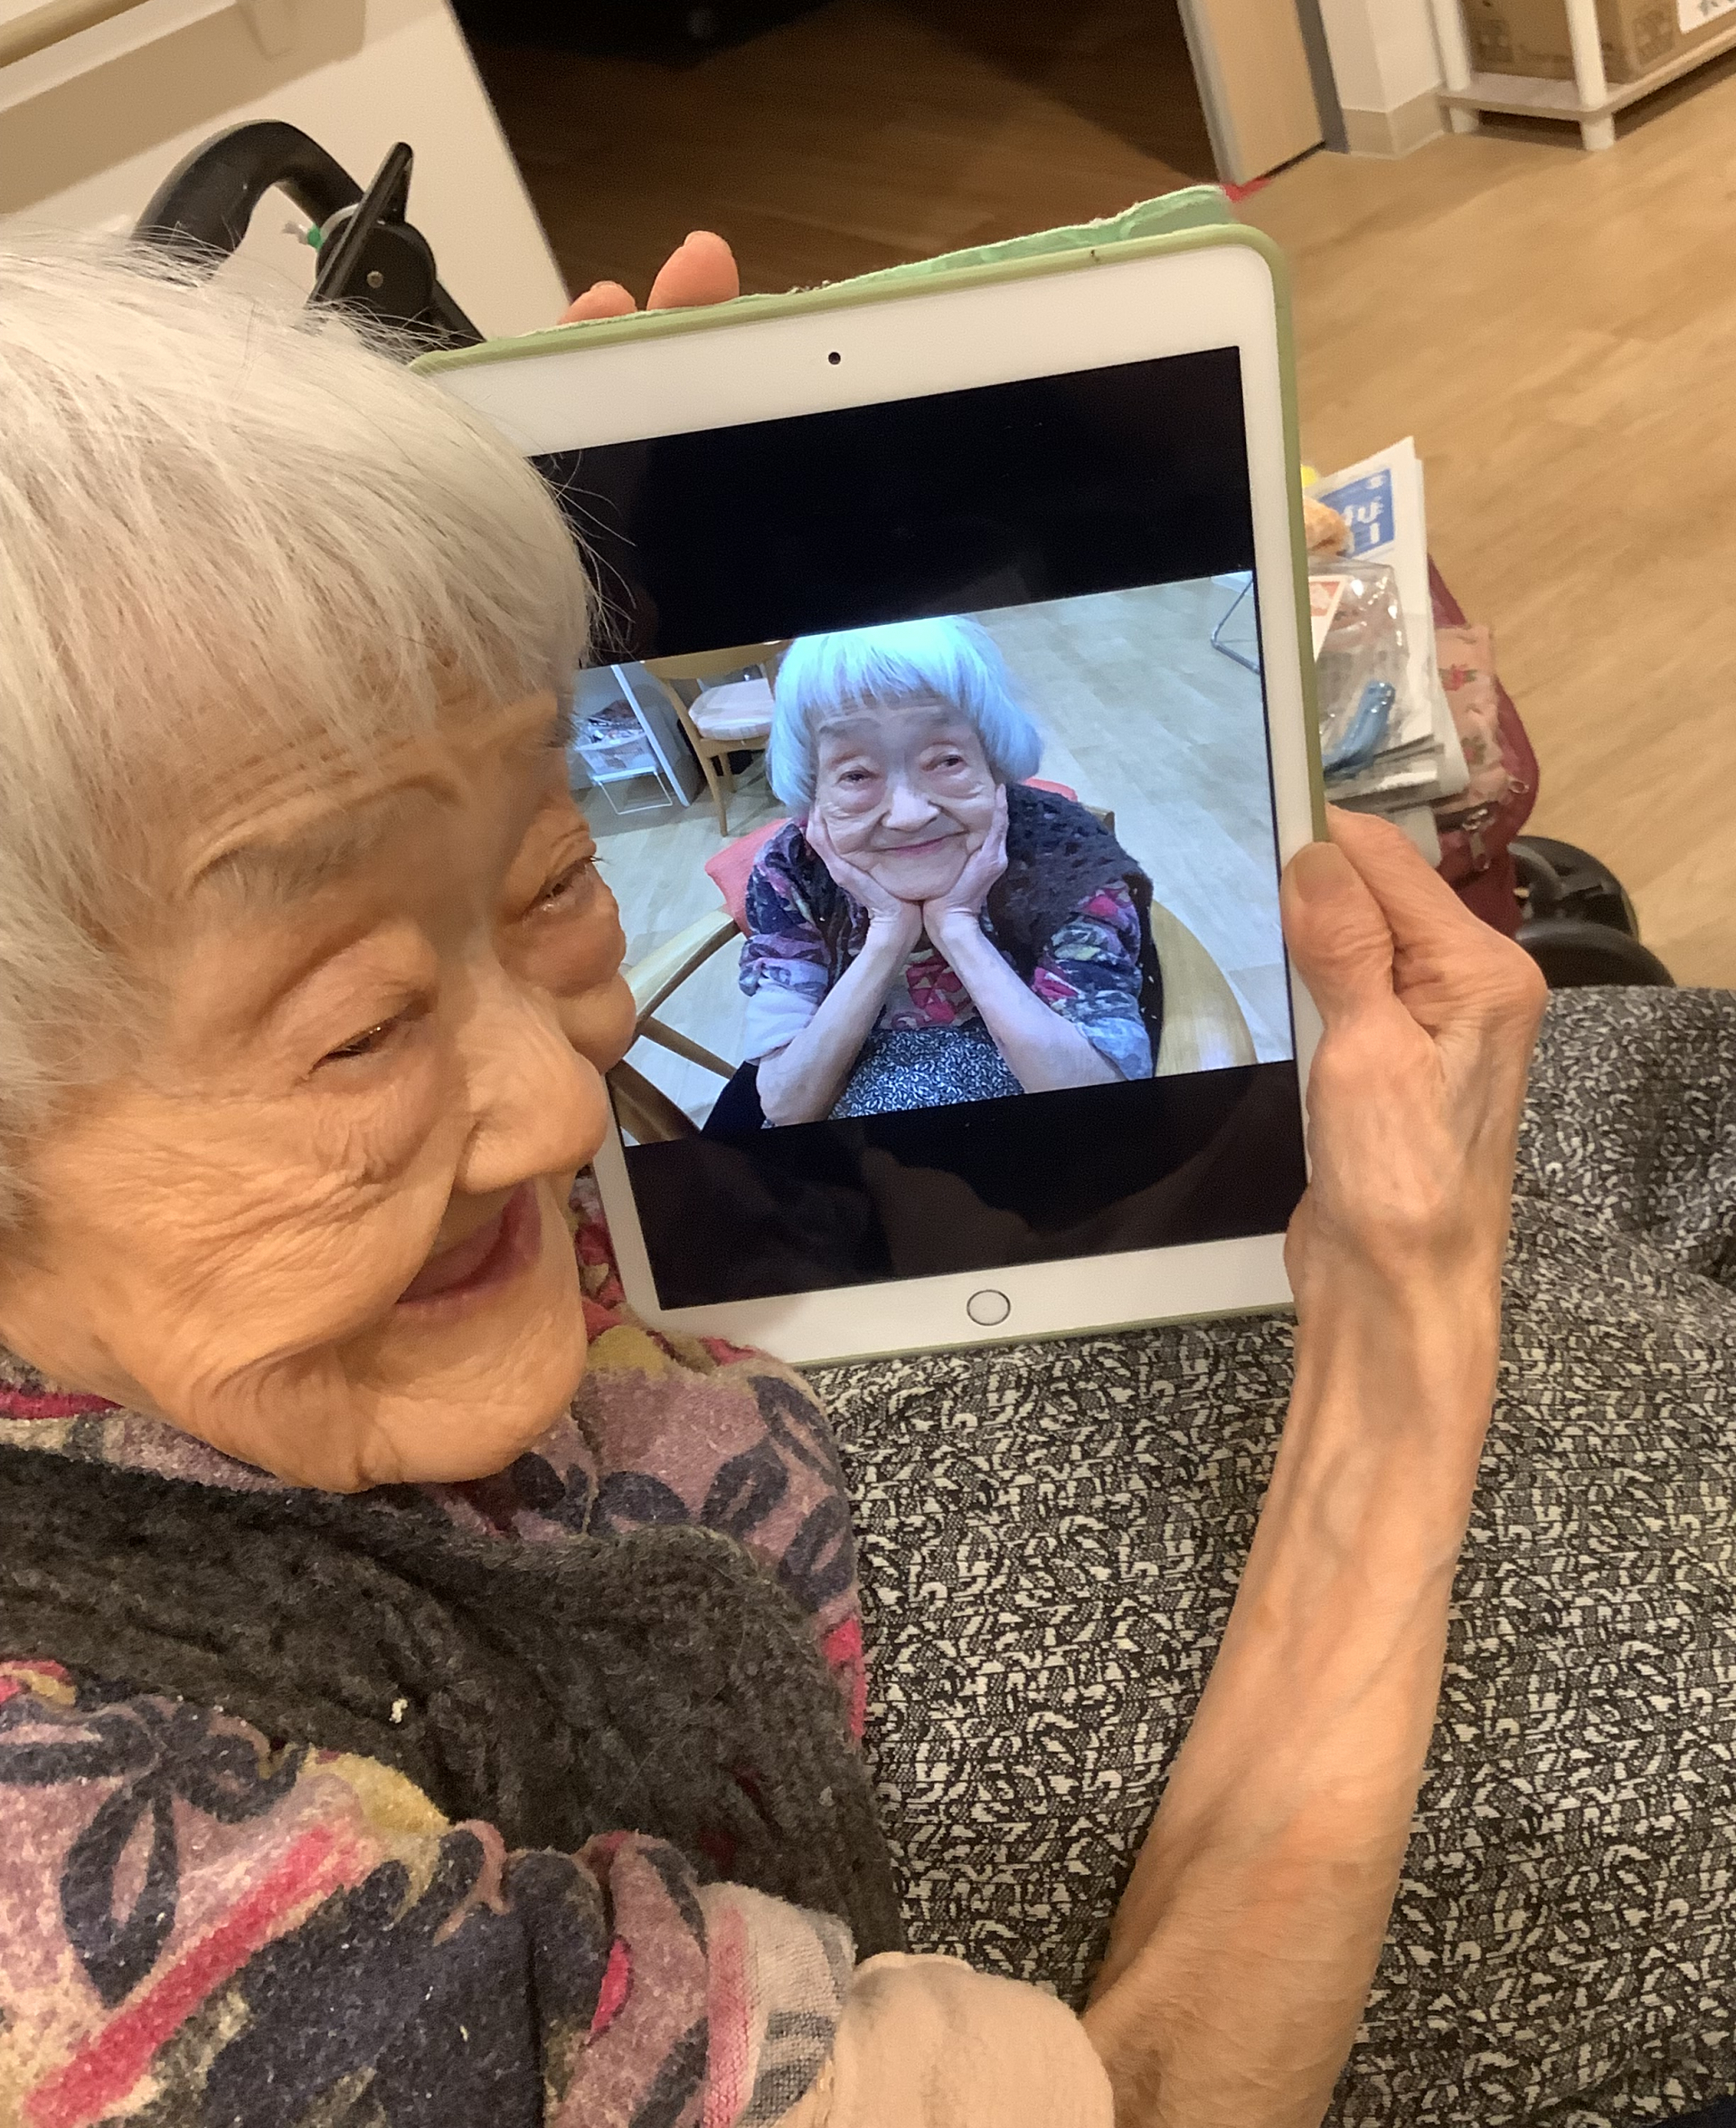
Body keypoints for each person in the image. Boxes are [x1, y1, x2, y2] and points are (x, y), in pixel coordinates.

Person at [4, 222, 1703, 2128]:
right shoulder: (103, 1892)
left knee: (1668, 1088)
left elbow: (1083, 1068)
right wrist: (1410, 1333)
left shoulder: (1066, 857)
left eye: (553, 879)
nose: (567, 1122)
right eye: (358, 1033)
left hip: (1018, 1239)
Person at [742, 618, 1164, 1124]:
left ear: (992, 759)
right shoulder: (793, 869)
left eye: (945, 761)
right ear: (814, 788)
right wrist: (888, 932)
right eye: (856, 774)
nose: (909, 815)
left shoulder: (1064, 854)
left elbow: (1098, 1103)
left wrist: (957, 926)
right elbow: (788, 1104)